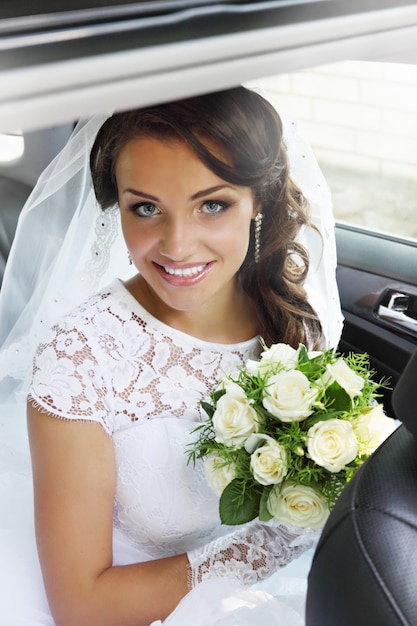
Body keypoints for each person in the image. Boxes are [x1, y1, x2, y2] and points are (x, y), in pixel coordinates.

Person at [0, 86, 343, 626]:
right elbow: (81, 605)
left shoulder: (291, 320)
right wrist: (277, 539)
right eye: (145, 208)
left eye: (212, 204)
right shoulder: (81, 357)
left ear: (259, 201)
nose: (177, 245)